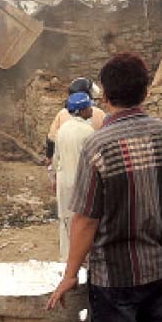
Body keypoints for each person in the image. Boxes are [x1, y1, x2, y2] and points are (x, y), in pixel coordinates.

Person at [46, 53, 162, 322]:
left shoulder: (98, 146)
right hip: (161, 268)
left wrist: (70, 274)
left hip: (114, 277)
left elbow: (86, 219)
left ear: (105, 96)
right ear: (145, 92)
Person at [51, 92, 94, 262]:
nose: (92, 109)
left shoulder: (62, 130)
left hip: (63, 181)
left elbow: (56, 159)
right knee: (83, 222)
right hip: (81, 182)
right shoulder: (88, 131)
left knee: (65, 220)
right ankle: (83, 261)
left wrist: (55, 178)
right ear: (82, 110)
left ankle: (66, 259)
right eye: (89, 106)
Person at [45, 77, 106, 165]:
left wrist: (49, 158)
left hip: (67, 161)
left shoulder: (62, 114)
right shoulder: (99, 114)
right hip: (90, 162)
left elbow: (51, 140)